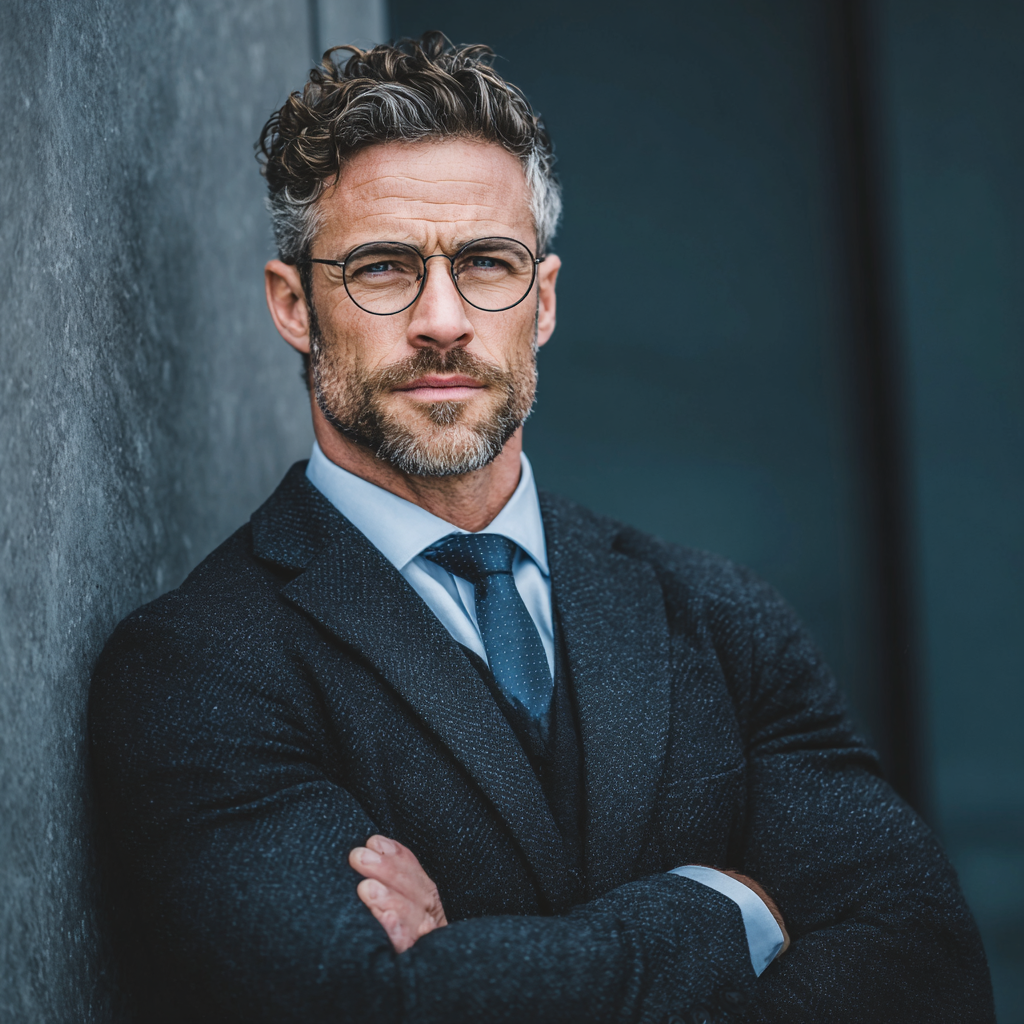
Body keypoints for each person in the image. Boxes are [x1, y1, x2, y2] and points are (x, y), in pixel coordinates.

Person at [89, 32, 994, 1023]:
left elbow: (929, 965)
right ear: (295, 306)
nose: (443, 318)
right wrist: (733, 907)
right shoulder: (199, 667)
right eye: (384, 269)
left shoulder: (725, 620)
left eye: (486, 263)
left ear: (545, 300)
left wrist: (474, 964)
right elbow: (366, 1006)